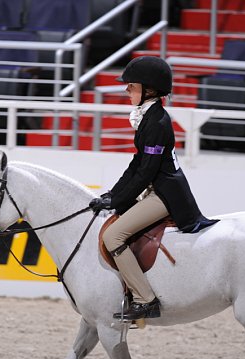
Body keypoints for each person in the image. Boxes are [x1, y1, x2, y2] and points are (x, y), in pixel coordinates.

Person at [89, 56, 218, 321]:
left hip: (165, 195)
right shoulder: (148, 117)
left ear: (149, 90)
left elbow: (146, 171)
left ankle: (146, 300)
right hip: (154, 187)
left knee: (113, 237)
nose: (126, 90)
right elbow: (137, 163)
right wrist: (113, 194)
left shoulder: (157, 123)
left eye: (131, 86)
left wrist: (116, 201)